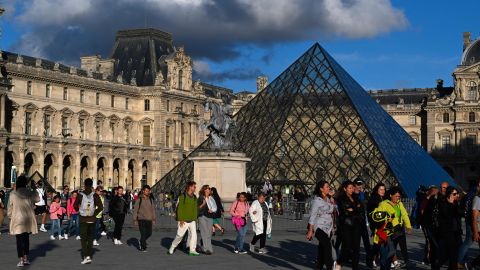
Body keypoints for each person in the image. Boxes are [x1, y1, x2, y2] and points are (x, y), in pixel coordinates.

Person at [375, 187, 412, 270]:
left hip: (399, 229)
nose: (397, 198)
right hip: (388, 231)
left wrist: (408, 226)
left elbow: (404, 214)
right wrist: (387, 220)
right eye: (396, 196)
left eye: (399, 197)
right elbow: (378, 216)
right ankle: (384, 264)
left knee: (401, 248)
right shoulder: (383, 204)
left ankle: (406, 262)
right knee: (390, 251)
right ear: (390, 195)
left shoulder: (399, 204)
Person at [7, 176, 39, 267]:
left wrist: (10, 216)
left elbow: (10, 207)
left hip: (17, 219)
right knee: (26, 239)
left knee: (19, 240)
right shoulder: (29, 192)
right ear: (25, 183)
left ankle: (21, 259)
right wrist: (34, 189)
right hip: (27, 219)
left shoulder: (13, 193)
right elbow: (37, 199)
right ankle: (26, 258)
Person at [307, 181, 336, 270]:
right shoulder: (317, 200)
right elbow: (312, 216)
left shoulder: (328, 198)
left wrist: (332, 198)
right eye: (327, 187)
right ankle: (329, 267)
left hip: (328, 226)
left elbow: (333, 211)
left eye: (329, 187)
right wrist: (310, 230)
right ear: (321, 189)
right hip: (319, 226)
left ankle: (319, 266)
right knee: (327, 246)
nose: (329, 188)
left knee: (322, 248)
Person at [74, 178, 103, 265]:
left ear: (84, 184)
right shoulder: (95, 195)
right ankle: (89, 256)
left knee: (83, 238)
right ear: (91, 185)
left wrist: (79, 210)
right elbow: (101, 207)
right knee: (90, 238)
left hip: (83, 219)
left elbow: (75, 205)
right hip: (92, 219)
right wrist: (94, 213)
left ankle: (86, 256)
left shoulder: (80, 195)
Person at [433, 186, 462, 270]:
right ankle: (436, 266)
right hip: (447, 233)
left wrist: (456, 204)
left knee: (453, 255)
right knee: (447, 255)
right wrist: (451, 204)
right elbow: (447, 215)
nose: (457, 195)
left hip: (456, 232)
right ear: (449, 194)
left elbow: (459, 214)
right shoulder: (442, 202)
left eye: (457, 193)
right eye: (455, 194)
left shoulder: (455, 203)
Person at [336, 180, 363, 270]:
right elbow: (345, 212)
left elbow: (361, 209)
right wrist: (356, 209)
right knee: (347, 247)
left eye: (352, 188)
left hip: (356, 225)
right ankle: (339, 261)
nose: (352, 189)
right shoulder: (341, 199)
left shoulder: (356, 197)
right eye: (350, 188)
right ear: (345, 189)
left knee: (356, 249)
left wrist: (353, 209)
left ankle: (355, 268)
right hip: (346, 225)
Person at [168, 181, 200, 256]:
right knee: (180, 235)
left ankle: (192, 250)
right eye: (194, 187)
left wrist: (195, 219)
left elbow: (195, 209)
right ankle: (173, 246)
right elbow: (179, 208)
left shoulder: (195, 197)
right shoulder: (182, 196)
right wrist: (181, 219)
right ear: (190, 187)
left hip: (192, 220)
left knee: (194, 235)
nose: (195, 188)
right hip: (184, 220)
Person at [458, 181, 479, 268]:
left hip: (468, 221)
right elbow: (474, 215)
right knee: (467, 243)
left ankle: (462, 261)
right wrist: (475, 231)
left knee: (466, 243)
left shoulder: (467, 195)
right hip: (474, 223)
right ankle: (459, 262)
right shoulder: (476, 197)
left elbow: (462, 208)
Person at [367, 182, 387, 268]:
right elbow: (372, 214)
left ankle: (374, 259)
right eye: (381, 189)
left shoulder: (384, 198)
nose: (383, 191)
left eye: (384, 189)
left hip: (385, 225)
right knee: (377, 244)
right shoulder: (374, 199)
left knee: (381, 244)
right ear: (377, 190)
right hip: (377, 225)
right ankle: (371, 259)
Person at [354, 179, 373, 268]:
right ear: (354, 185)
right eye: (358, 184)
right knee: (356, 244)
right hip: (355, 222)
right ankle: (355, 262)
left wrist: (361, 193)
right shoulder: (352, 195)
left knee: (367, 243)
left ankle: (369, 261)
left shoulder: (363, 195)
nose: (360, 186)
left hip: (362, 221)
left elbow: (365, 204)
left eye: (361, 184)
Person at [133, 185, 156, 252]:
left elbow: (153, 209)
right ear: (143, 191)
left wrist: (154, 218)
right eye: (146, 191)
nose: (147, 192)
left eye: (148, 191)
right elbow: (135, 210)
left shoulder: (151, 200)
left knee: (149, 233)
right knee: (143, 233)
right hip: (141, 219)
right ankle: (143, 247)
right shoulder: (139, 199)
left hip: (149, 219)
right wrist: (135, 219)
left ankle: (142, 241)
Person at [197, 185, 216, 255]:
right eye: (208, 188)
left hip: (210, 216)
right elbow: (197, 207)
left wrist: (213, 210)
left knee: (209, 233)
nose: (209, 189)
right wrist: (203, 204)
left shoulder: (211, 198)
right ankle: (206, 249)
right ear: (204, 190)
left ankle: (208, 247)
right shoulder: (201, 198)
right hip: (202, 216)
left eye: (209, 189)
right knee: (204, 232)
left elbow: (215, 207)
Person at [471, 184, 480, 268]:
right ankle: (472, 264)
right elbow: (474, 218)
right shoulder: (477, 199)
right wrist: (476, 232)